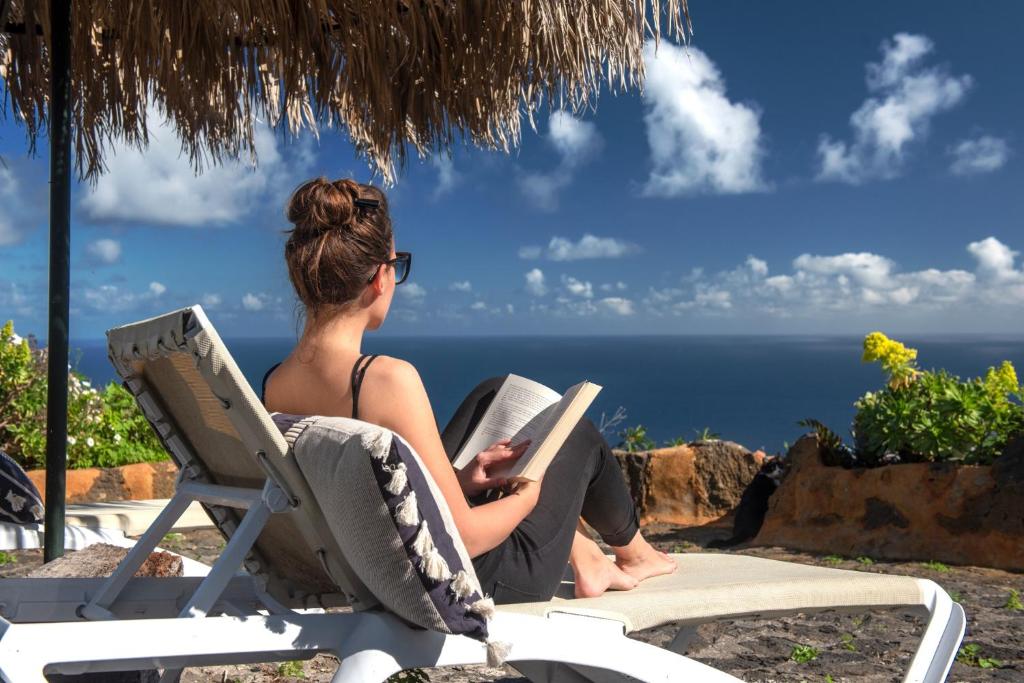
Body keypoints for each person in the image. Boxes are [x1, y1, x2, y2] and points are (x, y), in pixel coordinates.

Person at [262, 177, 675, 604]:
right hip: (465, 577)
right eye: (395, 264)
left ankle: (590, 555)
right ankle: (633, 555)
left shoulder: (275, 384)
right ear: (380, 279)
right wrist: (530, 492)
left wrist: (464, 480)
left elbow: (357, 490)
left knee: (491, 394)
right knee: (574, 431)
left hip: (362, 559)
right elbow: (466, 538)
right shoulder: (384, 380)